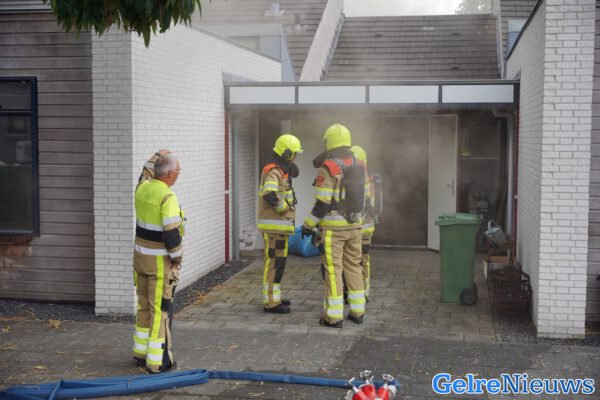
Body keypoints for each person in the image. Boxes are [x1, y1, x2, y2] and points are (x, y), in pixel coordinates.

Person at [302, 123, 366, 328]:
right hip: (355, 226)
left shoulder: (329, 167)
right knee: (354, 267)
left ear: (329, 142)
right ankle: (358, 312)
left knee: (333, 270)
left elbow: (322, 203)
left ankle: (333, 316)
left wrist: (308, 224)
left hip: (334, 230)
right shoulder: (359, 162)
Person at [132, 149, 184, 373]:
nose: (179, 173)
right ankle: (157, 362)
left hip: (140, 260)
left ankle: (140, 353)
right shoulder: (167, 197)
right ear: (170, 173)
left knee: (143, 306)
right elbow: (171, 235)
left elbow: (143, 174)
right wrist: (177, 258)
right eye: (178, 170)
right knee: (159, 312)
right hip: (159, 266)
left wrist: (155, 156)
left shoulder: (142, 189)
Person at [257, 134, 303, 314]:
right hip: (274, 226)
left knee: (279, 263)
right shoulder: (274, 171)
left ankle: (274, 298)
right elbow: (270, 194)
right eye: (294, 153)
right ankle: (270, 303)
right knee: (274, 264)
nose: (296, 157)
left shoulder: (281, 169)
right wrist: (285, 210)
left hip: (280, 227)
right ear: (287, 153)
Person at [351, 145, 376, 302]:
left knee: (352, 262)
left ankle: (354, 293)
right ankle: (363, 293)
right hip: (366, 230)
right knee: (363, 262)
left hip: (355, 229)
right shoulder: (369, 181)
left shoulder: (354, 181)